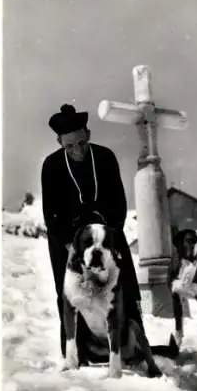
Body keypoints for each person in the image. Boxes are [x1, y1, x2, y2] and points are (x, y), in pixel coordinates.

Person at [41, 103, 143, 364]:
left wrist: (104, 237)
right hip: (69, 244)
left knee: (122, 289)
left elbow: (118, 205)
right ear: (60, 142)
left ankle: (131, 348)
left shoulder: (105, 157)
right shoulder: (51, 166)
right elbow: (52, 216)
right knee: (73, 293)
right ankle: (76, 354)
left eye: (82, 143)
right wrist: (73, 248)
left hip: (106, 237)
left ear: (88, 134)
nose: (77, 151)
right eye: (70, 146)